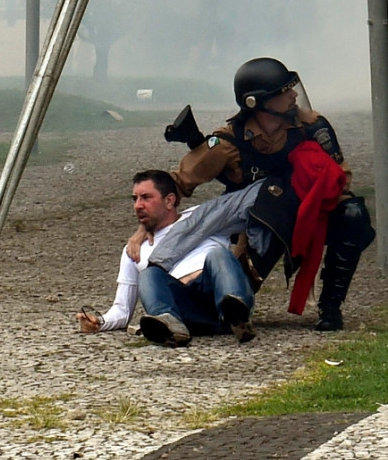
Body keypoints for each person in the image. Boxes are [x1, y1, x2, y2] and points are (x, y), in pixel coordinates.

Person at [132, 57, 375, 331]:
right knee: (233, 294)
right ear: (257, 102)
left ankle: (330, 308)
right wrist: (144, 229)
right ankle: (199, 312)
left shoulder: (313, 127)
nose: (294, 95)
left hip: (310, 216)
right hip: (259, 223)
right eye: (284, 92)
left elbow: (340, 180)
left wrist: (305, 201)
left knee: (353, 215)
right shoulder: (227, 142)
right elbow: (175, 185)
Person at [76, 169, 256, 347]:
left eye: (146, 197)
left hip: (216, 291)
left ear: (170, 200)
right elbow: (122, 310)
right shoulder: (134, 250)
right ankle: (168, 325)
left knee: (218, 255)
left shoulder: (201, 217)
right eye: (135, 199)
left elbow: (251, 200)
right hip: (184, 309)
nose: (138, 205)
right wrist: (99, 322)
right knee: (148, 274)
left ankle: (237, 315)